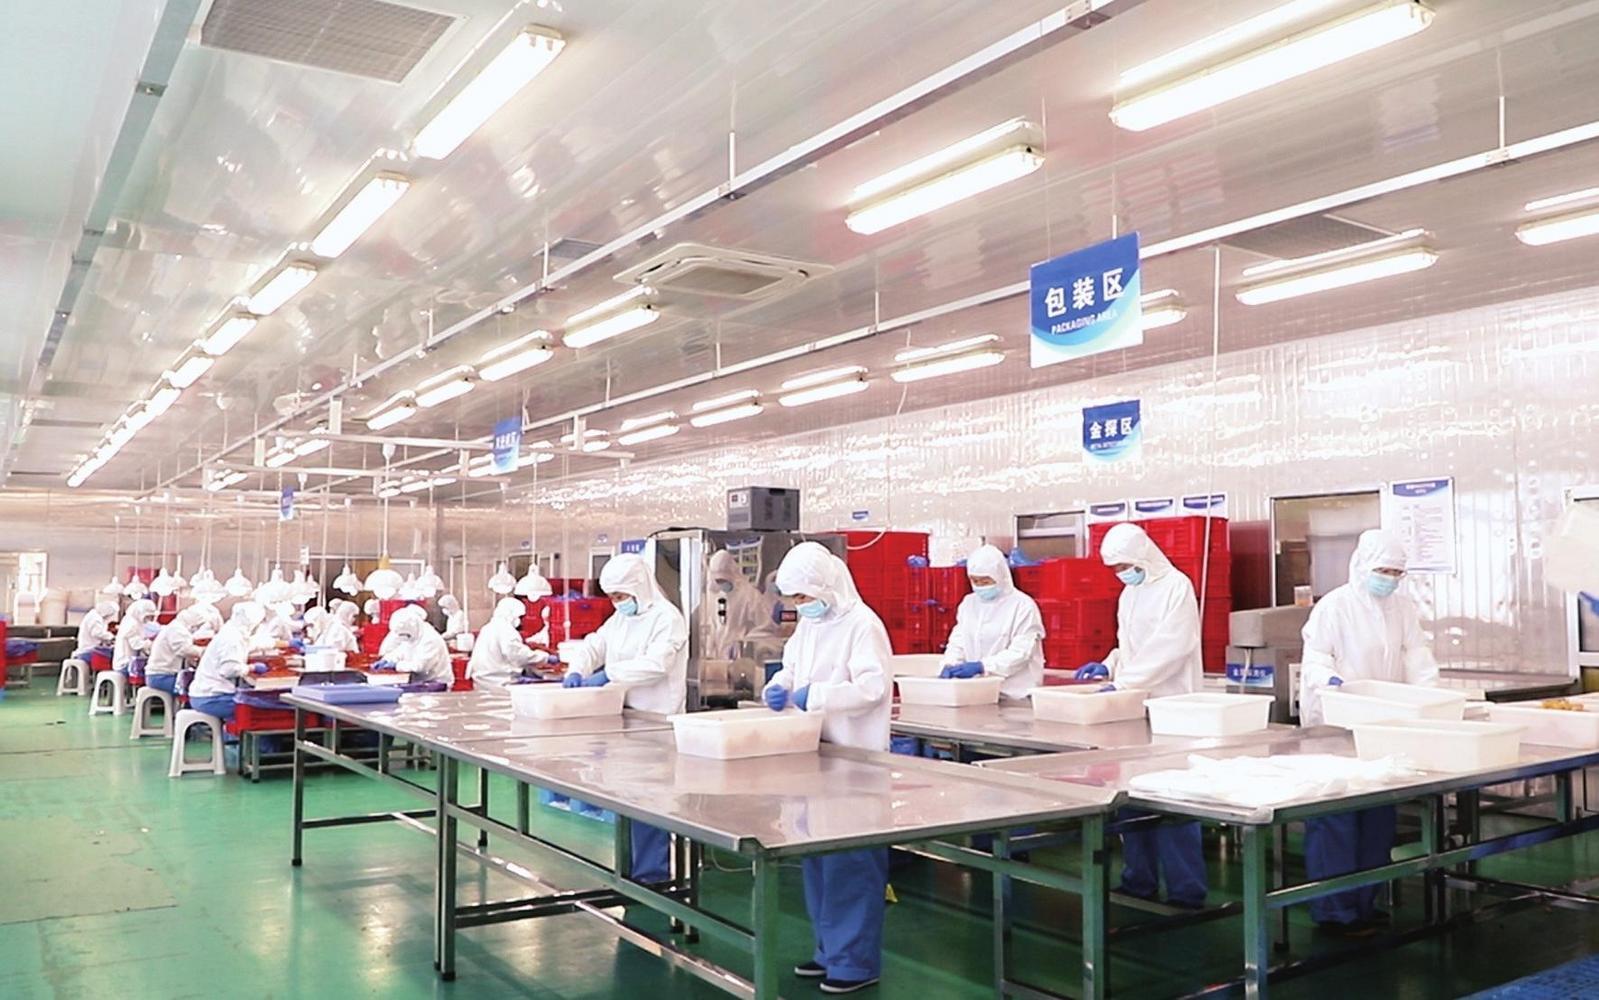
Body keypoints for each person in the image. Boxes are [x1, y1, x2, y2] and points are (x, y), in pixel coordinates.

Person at [760, 543, 892, 994]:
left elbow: (873, 689)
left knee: (851, 865)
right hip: (817, 757)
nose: (800, 606)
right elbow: (792, 669)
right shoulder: (810, 625)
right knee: (818, 860)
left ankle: (855, 963)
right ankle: (829, 951)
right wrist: (779, 685)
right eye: (794, 599)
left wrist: (814, 696)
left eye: (804, 597)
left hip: (857, 762)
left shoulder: (862, 625)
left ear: (826, 586)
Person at [1298, 528, 1437, 932]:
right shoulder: (1335, 606)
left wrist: (1430, 697)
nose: (1389, 579)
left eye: (1396, 572)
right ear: (1362, 566)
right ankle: (1334, 911)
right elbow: (1316, 656)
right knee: (1336, 819)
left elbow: (1417, 655)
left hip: (1381, 727)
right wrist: (1332, 683)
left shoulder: (1401, 608)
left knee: (1378, 818)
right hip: (1335, 725)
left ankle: (1365, 901)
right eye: (1383, 571)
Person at [1077, 522, 1206, 909]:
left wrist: (1124, 681)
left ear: (1144, 556)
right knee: (1133, 798)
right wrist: (1108, 664)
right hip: (1135, 710)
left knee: (1174, 803)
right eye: (1115, 568)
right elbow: (1130, 647)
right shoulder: (1130, 594)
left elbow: (1172, 647)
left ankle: (1186, 890)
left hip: (1172, 712)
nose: (1121, 573)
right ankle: (1139, 880)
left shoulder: (1176, 587)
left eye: (1125, 565)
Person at [562, 554, 688, 886]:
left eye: (621, 596)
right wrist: (577, 668)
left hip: (657, 722)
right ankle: (632, 874)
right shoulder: (620, 618)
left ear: (638, 587)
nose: (617, 603)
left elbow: (657, 665)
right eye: (613, 597)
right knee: (626, 798)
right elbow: (595, 644)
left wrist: (610, 674)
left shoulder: (667, 618)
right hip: (625, 720)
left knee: (651, 801)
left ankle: (654, 878)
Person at [938, 544, 1045, 699]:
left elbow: (1021, 652)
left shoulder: (1023, 606)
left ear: (1000, 576)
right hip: (979, 692)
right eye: (975, 581)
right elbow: (958, 642)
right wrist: (950, 663)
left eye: (985, 581)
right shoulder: (969, 604)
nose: (979, 586)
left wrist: (983, 667)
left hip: (1015, 694)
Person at [189, 602, 270, 724]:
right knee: (260, 710)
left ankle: (232, 733)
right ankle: (239, 734)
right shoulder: (232, 639)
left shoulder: (232, 632)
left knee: (258, 704)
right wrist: (251, 668)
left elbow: (250, 644)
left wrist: (283, 643)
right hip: (212, 699)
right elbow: (229, 669)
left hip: (205, 695)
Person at [703, 549, 782, 660]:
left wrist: (744, 642)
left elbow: (765, 627)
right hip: (715, 658)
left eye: (724, 580)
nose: (722, 584)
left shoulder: (749, 595)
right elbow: (707, 627)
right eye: (718, 581)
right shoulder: (710, 596)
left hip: (742, 658)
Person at [468, 598, 543, 689]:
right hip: (498, 681)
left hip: (484, 679)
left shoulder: (489, 627)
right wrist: (545, 658)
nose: (520, 620)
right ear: (512, 614)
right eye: (519, 617)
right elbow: (517, 655)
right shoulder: (506, 630)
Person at [379, 605, 453, 688]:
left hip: (437, 684)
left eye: (406, 635)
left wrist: (396, 665)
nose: (404, 637)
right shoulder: (414, 636)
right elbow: (401, 652)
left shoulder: (430, 639)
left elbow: (420, 667)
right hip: (421, 682)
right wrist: (387, 659)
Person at [146, 606, 209, 695]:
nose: (197, 629)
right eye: (197, 626)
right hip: (163, 676)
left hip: (162, 674)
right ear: (192, 622)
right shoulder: (177, 630)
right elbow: (184, 649)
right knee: (197, 689)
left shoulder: (176, 628)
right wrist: (203, 651)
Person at [112, 599, 158, 674]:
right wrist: (150, 644)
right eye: (147, 616)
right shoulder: (132, 623)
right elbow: (136, 644)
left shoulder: (135, 622)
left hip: (128, 661)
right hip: (125, 663)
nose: (149, 619)